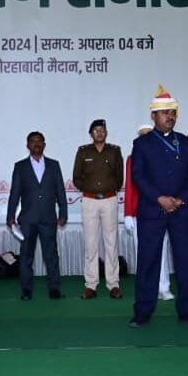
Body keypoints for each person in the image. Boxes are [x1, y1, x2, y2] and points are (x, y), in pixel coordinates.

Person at [129, 87, 188, 328]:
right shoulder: (142, 143)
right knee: (148, 262)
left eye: (172, 112)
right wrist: (159, 198)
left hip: (182, 211)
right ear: (153, 116)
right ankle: (143, 312)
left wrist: (181, 199)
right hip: (152, 210)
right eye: (164, 112)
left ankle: (187, 310)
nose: (169, 116)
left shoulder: (185, 142)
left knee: (185, 261)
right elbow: (138, 176)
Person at [6, 131, 68, 300]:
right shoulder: (20, 166)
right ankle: (26, 290)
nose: (36, 143)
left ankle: (54, 289)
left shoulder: (54, 165)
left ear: (44, 144)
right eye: (33, 141)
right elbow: (15, 193)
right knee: (26, 256)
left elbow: (60, 191)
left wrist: (63, 212)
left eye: (39, 141)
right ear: (28, 145)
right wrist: (10, 216)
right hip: (27, 219)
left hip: (48, 218)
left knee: (51, 255)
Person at [72, 118, 124, 299]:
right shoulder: (83, 151)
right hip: (89, 201)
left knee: (111, 243)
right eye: (96, 130)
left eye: (102, 130)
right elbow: (76, 177)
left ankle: (113, 284)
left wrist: (108, 189)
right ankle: (91, 284)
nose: (99, 133)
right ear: (91, 134)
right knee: (91, 243)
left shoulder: (114, 151)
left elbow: (119, 178)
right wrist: (90, 188)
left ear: (106, 132)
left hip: (109, 200)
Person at [123, 125, 174, 300]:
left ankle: (164, 287)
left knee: (163, 251)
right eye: (142, 136)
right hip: (140, 212)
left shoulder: (166, 155)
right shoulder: (132, 158)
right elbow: (130, 186)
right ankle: (147, 290)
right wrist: (128, 213)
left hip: (162, 210)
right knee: (144, 253)